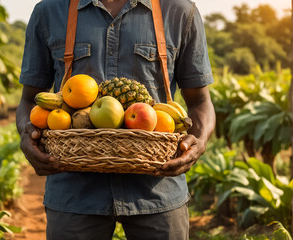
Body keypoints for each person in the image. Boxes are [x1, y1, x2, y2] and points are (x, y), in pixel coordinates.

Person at [16, 0, 216, 239]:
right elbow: (29, 100)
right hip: (73, 188)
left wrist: (199, 141)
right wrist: (26, 134)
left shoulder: (180, 11)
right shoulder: (49, 11)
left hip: (158, 188)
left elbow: (200, 102)